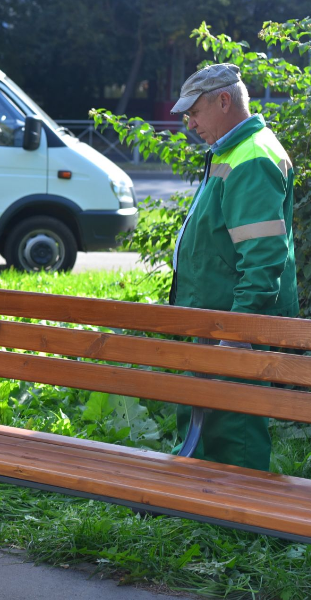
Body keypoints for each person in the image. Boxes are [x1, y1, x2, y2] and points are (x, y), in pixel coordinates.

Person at [169, 63, 298, 471]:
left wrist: (240, 331)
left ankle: (238, 523)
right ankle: (198, 510)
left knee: (233, 427)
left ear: (224, 100)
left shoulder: (252, 156)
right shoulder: (233, 149)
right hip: (213, 318)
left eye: (195, 112)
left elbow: (262, 262)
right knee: (206, 419)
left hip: (230, 324)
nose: (190, 123)